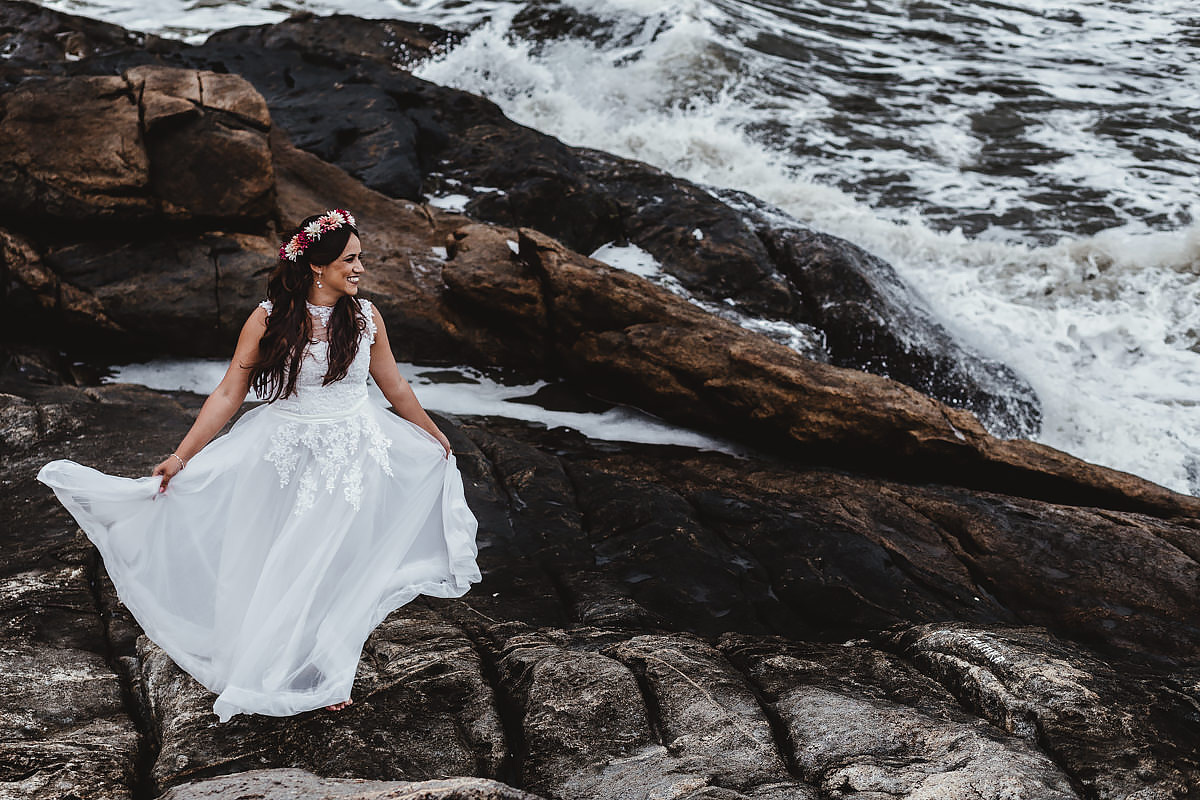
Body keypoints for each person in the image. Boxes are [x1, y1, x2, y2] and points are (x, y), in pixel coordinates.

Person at [37, 208, 482, 723]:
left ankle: (328, 670)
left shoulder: (366, 317)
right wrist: (181, 457)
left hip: (354, 453)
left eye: (360, 258)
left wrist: (431, 434)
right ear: (317, 266)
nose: (360, 268)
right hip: (284, 453)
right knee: (286, 561)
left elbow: (395, 386)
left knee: (337, 564)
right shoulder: (269, 318)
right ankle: (276, 666)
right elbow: (230, 393)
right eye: (349, 260)